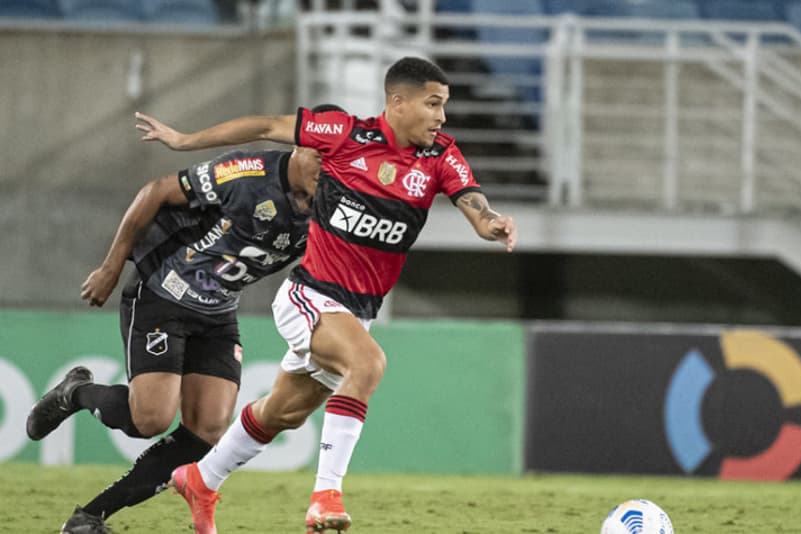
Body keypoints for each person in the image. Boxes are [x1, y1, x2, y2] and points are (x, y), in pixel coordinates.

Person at [134, 56, 518, 534]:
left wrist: (490, 222)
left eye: (444, 106)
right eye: (433, 104)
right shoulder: (343, 134)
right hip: (310, 295)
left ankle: (201, 479)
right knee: (368, 365)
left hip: (358, 313)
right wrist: (185, 140)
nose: (441, 116)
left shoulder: (440, 155)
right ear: (397, 102)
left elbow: (471, 201)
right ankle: (325, 496)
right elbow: (268, 125)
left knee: (283, 413)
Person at [25, 105, 339, 533]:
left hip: (218, 311)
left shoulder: (333, 205)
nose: (330, 167)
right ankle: (75, 393)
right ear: (298, 145)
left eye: (338, 159)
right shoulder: (248, 174)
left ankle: (89, 518)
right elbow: (155, 191)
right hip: (162, 293)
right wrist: (111, 267)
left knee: (208, 431)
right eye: (321, 154)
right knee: (148, 421)